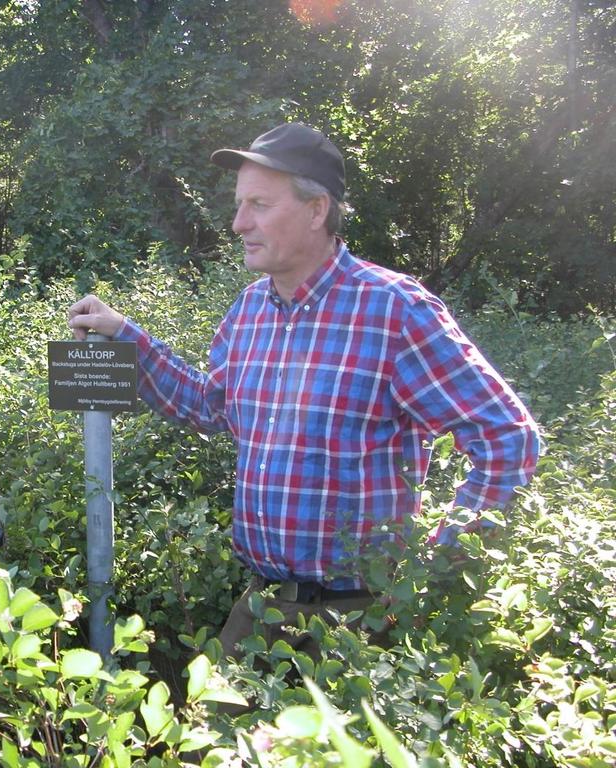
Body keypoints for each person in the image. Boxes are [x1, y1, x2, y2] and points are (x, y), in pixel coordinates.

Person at [67, 123, 540, 662]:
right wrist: (125, 335)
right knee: (205, 740)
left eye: (260, 205)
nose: (238, 222)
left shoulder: (393, 309)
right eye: (240, 204)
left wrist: (436, 565)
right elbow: (209, 405)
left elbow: (508, 437)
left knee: (346, 749)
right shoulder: (250, 309)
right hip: (262, 605)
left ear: (317, 211)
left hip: (358, 621)